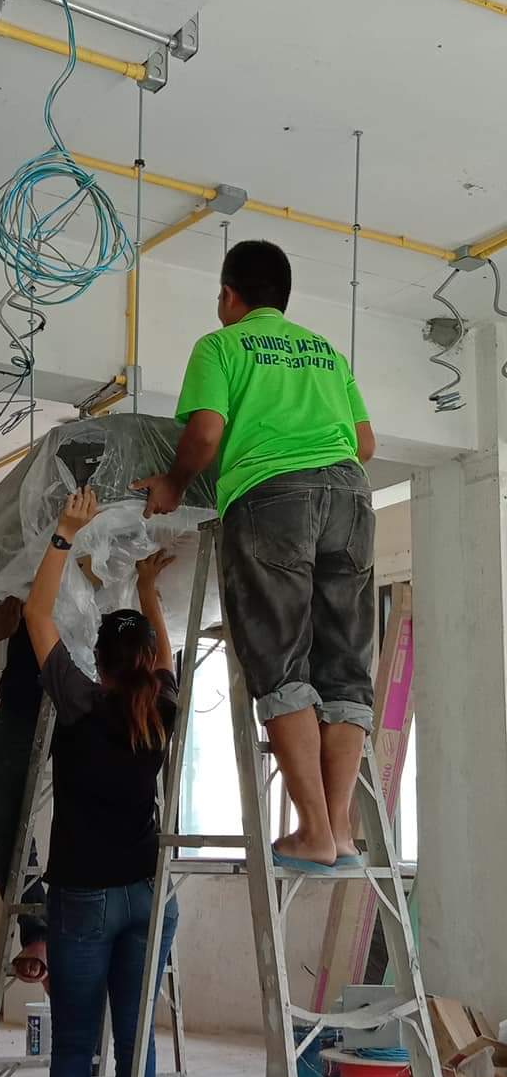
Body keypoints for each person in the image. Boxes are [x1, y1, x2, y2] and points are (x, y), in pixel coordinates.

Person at [132, 238, 376, 875]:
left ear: (228, 295)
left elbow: (206, 432)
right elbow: (364, 442)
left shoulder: (221, 346)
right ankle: (341, 833)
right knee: (345, 666)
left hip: (273, 498)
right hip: (351, 498)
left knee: (280, 656)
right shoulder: (325, 352)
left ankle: (313, 831)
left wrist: (174, 482)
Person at [25, 486, 179, 1077]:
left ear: (101, 661)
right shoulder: (163, 708)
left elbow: (38, 616)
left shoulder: (80, 700)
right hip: (149, 893)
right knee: (136, 1044)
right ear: (144, 662)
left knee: (76, 1046)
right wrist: (148, 589)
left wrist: (63, 533)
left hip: (83, 898)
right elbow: (165, 659)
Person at [0, 595, 49, 983]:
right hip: (24, 697)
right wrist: (5, 617)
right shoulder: (20, 565)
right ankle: (38, 931)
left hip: (89, 691)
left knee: (99, 819)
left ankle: (86, 944)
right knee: (1, 829)